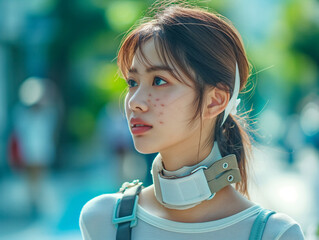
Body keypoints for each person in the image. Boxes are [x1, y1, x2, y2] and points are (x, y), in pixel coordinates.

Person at [79, 2, 305, 239]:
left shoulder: (276, 234)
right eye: (132, 83)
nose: (134, 101)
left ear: (214, 101)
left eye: (159, 81)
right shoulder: (102, 220)